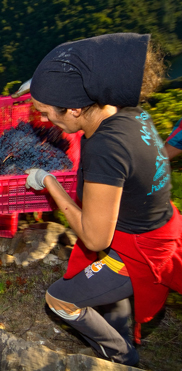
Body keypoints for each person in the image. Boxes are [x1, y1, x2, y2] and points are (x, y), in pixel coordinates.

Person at [21, 33, 182, 366]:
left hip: (137, 249)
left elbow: (95, 237)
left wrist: (50, 183)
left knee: (59, 300)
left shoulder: (104, 150)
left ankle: (122, 356)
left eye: (49, 113)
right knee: (103, 276)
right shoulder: (128, 114)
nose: (47, 121)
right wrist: (43, 87)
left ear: (76, 108)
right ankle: (119, 323)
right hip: (156, 224)